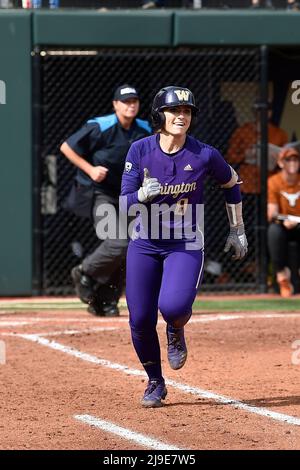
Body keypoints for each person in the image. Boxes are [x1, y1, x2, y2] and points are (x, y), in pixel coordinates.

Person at [121, 86, 248, 408]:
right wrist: (141, 196)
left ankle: (176, 329)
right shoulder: (139, 150)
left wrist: (237, 229)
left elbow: (232, 184)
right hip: (145, 242)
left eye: (187, 111)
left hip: (185, 241)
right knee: (140, 319)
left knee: (174, 308)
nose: (181, 116)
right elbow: (123, 205)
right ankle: (155, 381)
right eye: (174, 110)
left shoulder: (204, 153)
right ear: (159, 116)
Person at [60, 84, 151, 316]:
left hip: (129, 195)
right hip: (100, 192)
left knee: (131, 248)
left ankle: (106, 300)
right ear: (115, 105)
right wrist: (90, 170)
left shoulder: (143, 129)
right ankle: (84, 272)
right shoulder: (101, 126)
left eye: (134, 101)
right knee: (119, 242)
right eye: (125, 101)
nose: (131, 105)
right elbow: (66, 147)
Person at [227, 102, 288, 195]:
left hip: (270, 182)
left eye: (267, 110)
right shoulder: (242, 131)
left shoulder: (280, 134)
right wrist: (245, 155)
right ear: (254, 112)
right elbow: (230, 157)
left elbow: (287, 160)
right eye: (260, 110)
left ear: (270, 113)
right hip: (247, 184)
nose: (263, 113)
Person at [267, 147, 300, 297]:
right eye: (288, 159)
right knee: (274, 231)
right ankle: (282, 277)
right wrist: (286, 220)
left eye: (295, 159)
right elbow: (272, 213)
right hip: (284, 225)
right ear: (281, 163)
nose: (292, 162)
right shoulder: (274, 181)